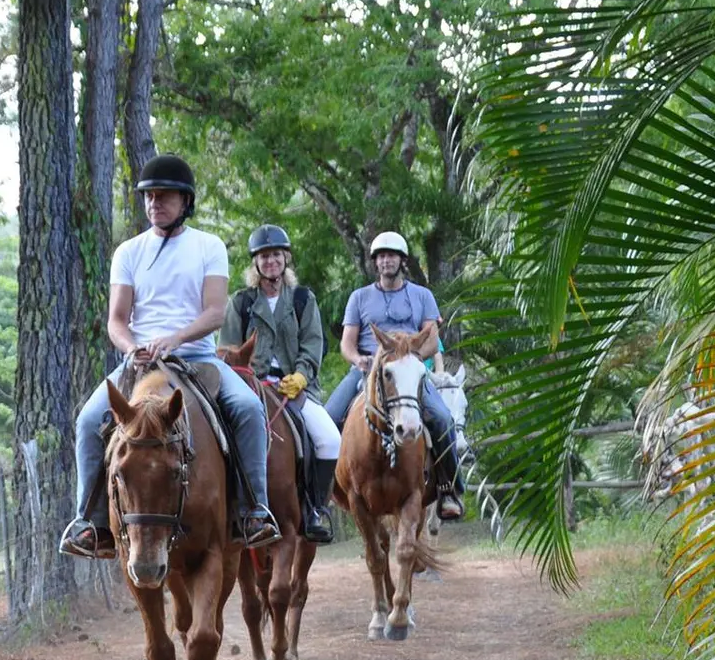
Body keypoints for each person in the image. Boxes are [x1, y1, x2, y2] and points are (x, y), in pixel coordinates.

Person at [59, 155, 282, 559]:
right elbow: (117, 320)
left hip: (198, 358)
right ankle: (89, 521)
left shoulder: (208, 246)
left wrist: (173, 339)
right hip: (139, 362)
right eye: (149, 196)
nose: (154, 203)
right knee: (89, 419)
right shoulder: (128, 251)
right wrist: (131, 347)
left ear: (186, 201)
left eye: (163, 196)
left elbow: (214, 312)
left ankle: (254, 511)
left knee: (249, 408)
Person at [323, 231, 465, 520]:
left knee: (442, 419)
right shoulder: (359, 297)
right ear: (376, 263)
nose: (387, 261)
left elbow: (430, 337)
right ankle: (321, 498)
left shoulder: (422, 295)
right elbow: (347, 344)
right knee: (327, 419)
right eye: (382, 256)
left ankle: (449, 489)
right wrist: (359, 359)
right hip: (367, 369)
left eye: (392, 256)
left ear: (402, 261)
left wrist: (410, 361)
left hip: (409, 372)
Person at [219, 224, 342, 543]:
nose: (270, 261)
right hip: (250, 387)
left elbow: (313, 342)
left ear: (285, 259)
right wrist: (244, 379)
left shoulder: (303, 299)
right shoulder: (241, 302)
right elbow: (228, 348)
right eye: (263, 256)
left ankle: (315, 508)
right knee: (216, 438)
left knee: (329, 439)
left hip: (294, 387)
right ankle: (226, 512)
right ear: (255, 263)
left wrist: (302, 374)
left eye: (275, 255)